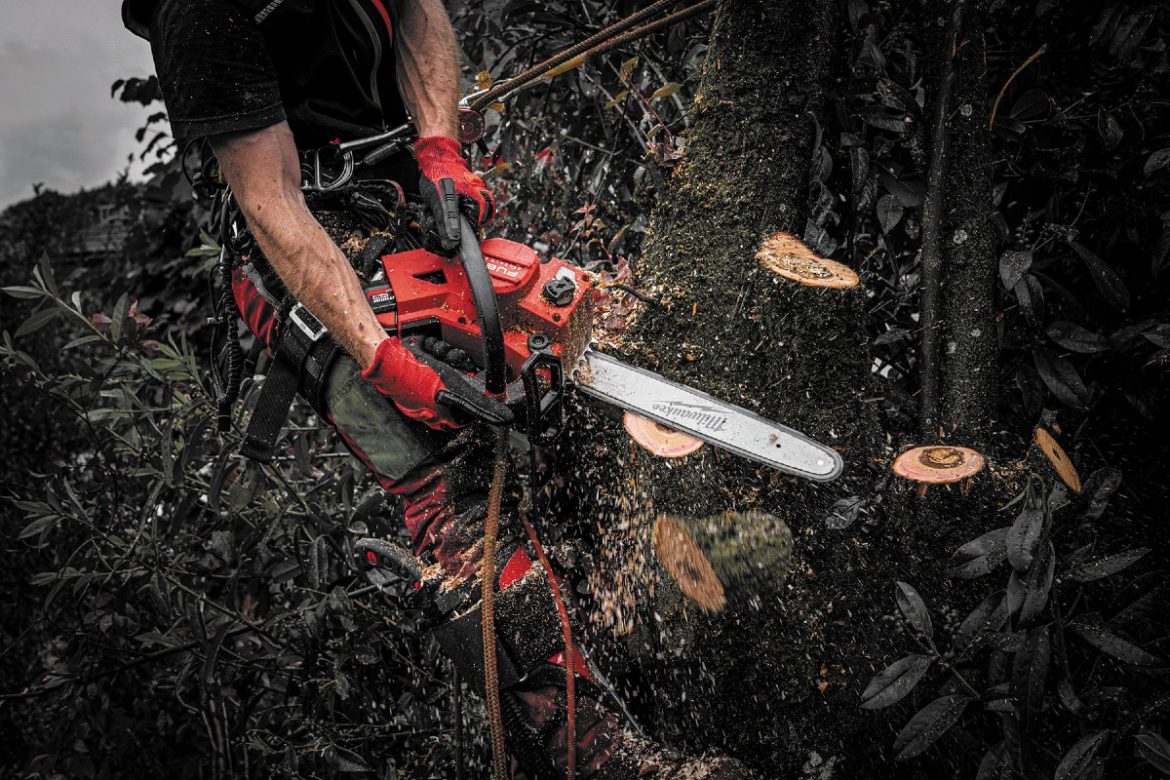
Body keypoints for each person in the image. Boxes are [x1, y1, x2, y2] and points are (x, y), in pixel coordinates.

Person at [123, 1, 749, 777]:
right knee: (450, 482)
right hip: (295, 242)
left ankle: (639, 637)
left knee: (556, 367)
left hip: (396, 191)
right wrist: (379, 356)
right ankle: (592, 755)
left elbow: (420, 13)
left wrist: (441, 149)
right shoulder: (196, 11)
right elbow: (269, 200)